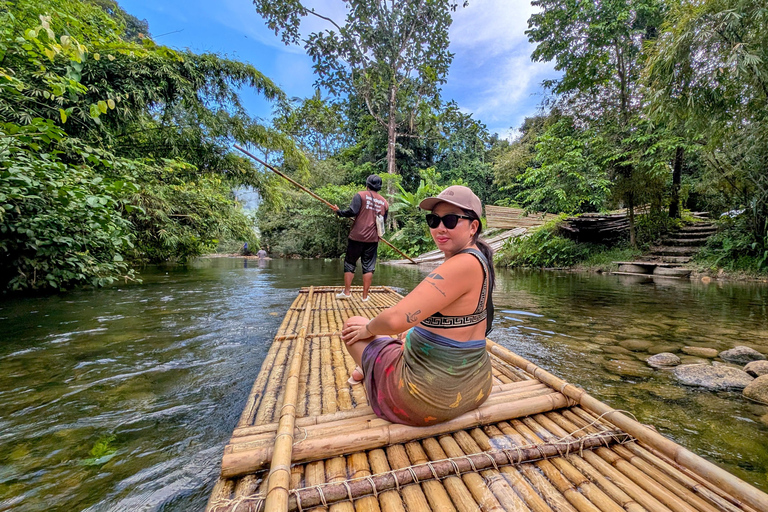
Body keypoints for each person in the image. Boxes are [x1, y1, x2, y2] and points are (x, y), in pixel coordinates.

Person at [340, 185, 495, 427]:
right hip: (477, 386)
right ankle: (368, 366)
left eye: (451, 220)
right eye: (433, 220)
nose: (440, 228)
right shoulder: (481, 260)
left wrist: (368, 330)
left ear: (473, 226)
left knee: (354, 325)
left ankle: (367, 368)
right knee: (408, 332)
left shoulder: (461, 264)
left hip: (426, 399)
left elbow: (394, 319)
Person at [332, 174, 389, 302]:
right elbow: (382, 221)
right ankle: (364, 297)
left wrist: (338, 212)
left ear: (367, 184)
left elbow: (352, 211)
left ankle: (347, 293)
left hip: (357, 237)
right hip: (373, 239)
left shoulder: (360, 195)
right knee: (369, 266)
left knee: (350, 263)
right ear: (379, 187)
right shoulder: (385, 203)